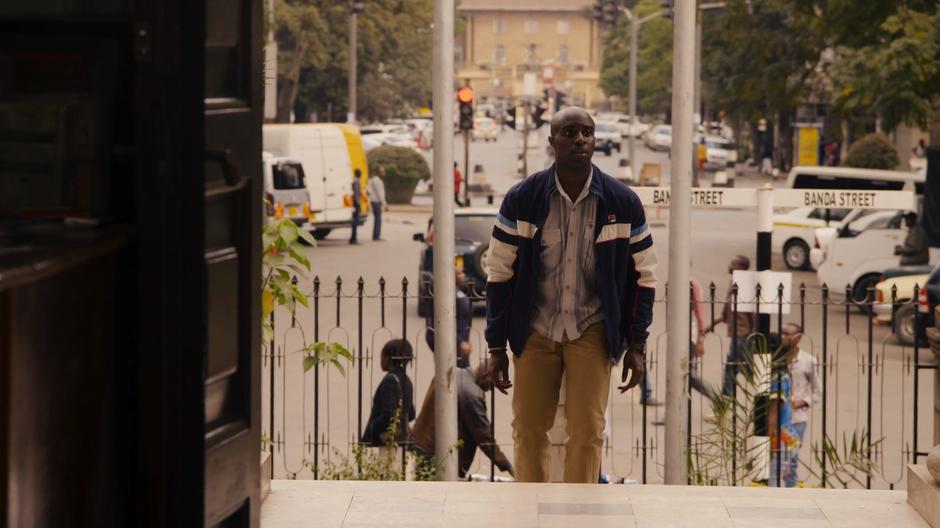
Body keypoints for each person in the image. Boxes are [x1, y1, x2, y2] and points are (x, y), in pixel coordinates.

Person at [484, 106, 657, 483]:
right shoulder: (523, 199)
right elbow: (498, 274)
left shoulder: (622, 202)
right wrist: (496, 347)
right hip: (535, 329)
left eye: (587, 132)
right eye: (569, 132)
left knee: (588, 432)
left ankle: (582, 514)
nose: (580, 139)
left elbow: (645, 278)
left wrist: (637, 345)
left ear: (594, 140)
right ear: (552, 142)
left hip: (592, 330)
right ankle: (530, 509)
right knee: (528, 430)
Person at [410, 360, 514, 479]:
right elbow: (484, 437)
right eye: (493, 384)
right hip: (438, 455)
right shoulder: (472, 395)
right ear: (486, 375)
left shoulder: (454, 373)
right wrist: (506, 465)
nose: (491, 389)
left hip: (421, 444)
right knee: (435, 492)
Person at [703, 255, 756, 397]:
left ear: (742, 267)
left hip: (743, 333)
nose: (730, 265)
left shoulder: (743, 284)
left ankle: (727, 397)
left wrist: (754, 333)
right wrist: (711, 325)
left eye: (734, 263)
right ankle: (729, 395)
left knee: (735, 366)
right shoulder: (735, 282)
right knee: (740, 366)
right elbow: (727, 310)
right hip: (737, 333)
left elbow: (751, 311)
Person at [781, 323, 820, 487]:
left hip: (797, 419)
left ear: (798, 338)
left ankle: (790, 493)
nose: (784, 337)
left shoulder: (808, 361)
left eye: (788, 334)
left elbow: (817, 391)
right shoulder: (776, 358)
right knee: (775, 459)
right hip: (778, 418)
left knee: (791, 460)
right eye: (783, 333)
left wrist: (803, 401)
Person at [360, 339, 416, 447]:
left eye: (381, 356)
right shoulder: (406, 380)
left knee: (385, 463)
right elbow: (411, 413)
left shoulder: (390, 381)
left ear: (388, 358)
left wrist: (372, 427)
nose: (380, 360)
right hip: (400, 441)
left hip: (385, 442)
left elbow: (389, 414)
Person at [425, 262, 472, 368]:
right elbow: (440, 324)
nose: (463, 275)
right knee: (449, 370)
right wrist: (460, 341)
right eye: (459, 274)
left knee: (462, 372)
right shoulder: (444, 296)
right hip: (451, 341)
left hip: (461, 342)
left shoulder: (458, 291)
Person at [367, 167, 388, 241]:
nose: (383, 173)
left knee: (377, 219)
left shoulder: (376, 180)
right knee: (378, 219)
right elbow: (380, 194)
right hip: (376, 201)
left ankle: (376, 235)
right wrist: (385, 204)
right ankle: (376, 236)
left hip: (375, 201)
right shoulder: (377, 181)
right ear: (379, 173)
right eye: (382, 172)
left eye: (384, 172)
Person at [350, 169, 362, 244]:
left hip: (353, 202)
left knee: (355, 220)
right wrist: (358, 203)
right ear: (358, 174)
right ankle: (353, 238)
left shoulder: (353, 179)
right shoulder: (357, 181)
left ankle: (353, 238)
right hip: (355, 203)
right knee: (355, 220)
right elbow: (357, 193)